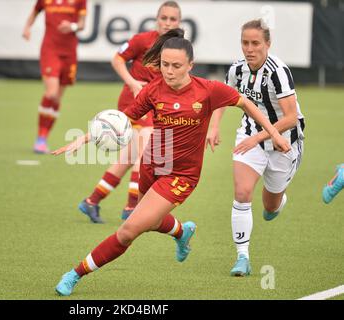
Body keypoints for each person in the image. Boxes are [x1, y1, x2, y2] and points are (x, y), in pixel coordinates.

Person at [51, 28, 290, 296]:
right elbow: (120, 121)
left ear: (190, 65)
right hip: (153, 164)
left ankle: (74, 274)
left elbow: (245, 104)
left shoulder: (208, 90)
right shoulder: (153, 90)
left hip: (182, 176)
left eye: (176, 66)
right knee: (148, 221)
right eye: (165, 64)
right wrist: (84, 138)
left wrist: (273, 135)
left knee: (128, 230)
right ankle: (181, 232)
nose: (169, 71)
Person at [206, 19, 305, 277]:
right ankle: (242, 257)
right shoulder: (237, 70)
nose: (249, 49)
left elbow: (291, 117)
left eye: (255, 43)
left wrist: (260, 137)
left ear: (267, 44)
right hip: (249, 136)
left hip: (284, 142)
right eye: (245, 43)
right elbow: (223, 97)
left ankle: (277, 201)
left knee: (270, 206)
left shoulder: (278, 72)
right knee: (242, 192)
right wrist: (214, 126)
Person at [78, 1, 182, 223]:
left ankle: (91, 201)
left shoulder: (179, 47)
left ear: (179, 22)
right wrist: (133, 82)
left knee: (129, 157)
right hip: (134, 103)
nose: (167, 23)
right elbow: (117, 59)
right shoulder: (143, 40)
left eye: (172, 19)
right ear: (157, 19)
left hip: (155, 107)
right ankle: (131, 208)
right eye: (164, 18)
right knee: (143, 155)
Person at [22, 0, 87, 154]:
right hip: (50, 50)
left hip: (69, 52)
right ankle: (40, 138)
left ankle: (44, 138)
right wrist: (27, 28)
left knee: (57, 98)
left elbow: (82, 24)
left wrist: (71, 26)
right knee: (51, 93)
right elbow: (35, 12)